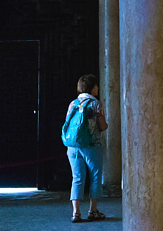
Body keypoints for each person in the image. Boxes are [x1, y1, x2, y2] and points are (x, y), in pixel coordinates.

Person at [64, 74, 108, 223]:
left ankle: (76, 213)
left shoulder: (73, 104)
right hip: (92, 146)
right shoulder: (95, 104)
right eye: (96, 86)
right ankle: (93, 210)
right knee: (95, 177)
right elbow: (102, 126)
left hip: (73, 147)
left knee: (77, 178)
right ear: (92, 87)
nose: (98, 88)